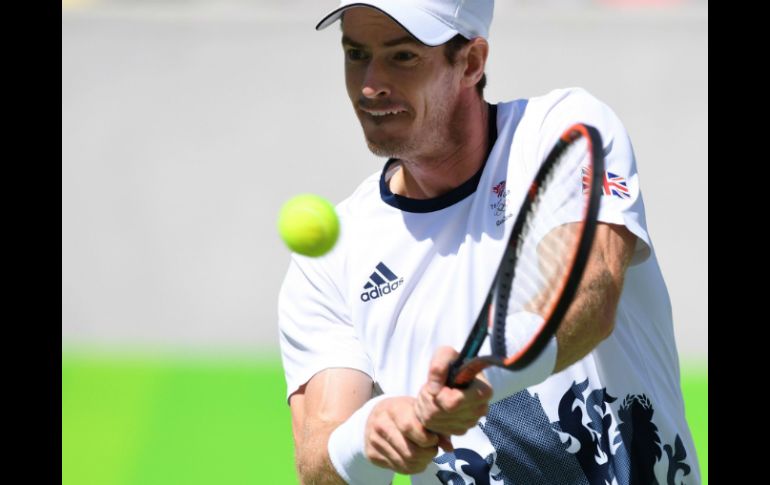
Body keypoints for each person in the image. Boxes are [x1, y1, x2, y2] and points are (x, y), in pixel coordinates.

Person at [277, 1, 701, 484]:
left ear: (472, 62)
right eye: (356, 54)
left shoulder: (562, 131)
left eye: (403, 57)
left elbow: (588, 294)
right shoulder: (329, 260)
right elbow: (318, 464)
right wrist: (368, 437)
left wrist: (485, 369)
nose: (371, 85)